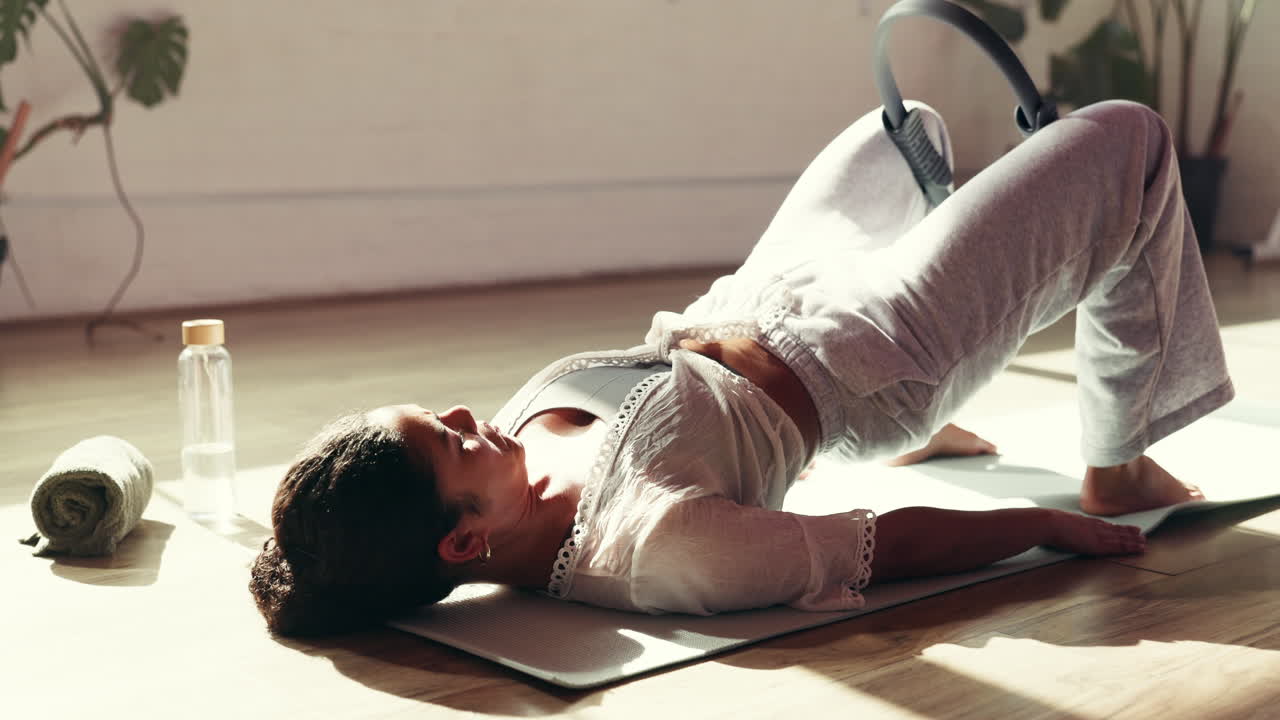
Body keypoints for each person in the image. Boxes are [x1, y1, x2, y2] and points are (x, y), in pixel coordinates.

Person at [250, 100, 1232, 636]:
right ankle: (1119, 456)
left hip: (758, 295)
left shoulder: (506, 480)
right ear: (463, 547)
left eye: (441, 414)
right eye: (452, 439)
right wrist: (1044, 524)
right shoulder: (661, 552)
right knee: (1130, 142)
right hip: (873, 358)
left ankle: (950, 377)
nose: (469, 414)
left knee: (909, 130)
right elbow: (878, 548)